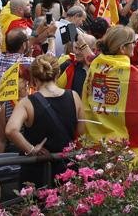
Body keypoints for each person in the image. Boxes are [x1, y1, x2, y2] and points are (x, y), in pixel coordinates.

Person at [5, 54, 84, 187]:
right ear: (58, 73)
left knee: (35, 206)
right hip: (66, 169)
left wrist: (31, 149)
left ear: (34, 78)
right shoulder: (74, 96)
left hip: (36, 171)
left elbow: (11, 130)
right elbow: (81, 132)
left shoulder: (26, 103)